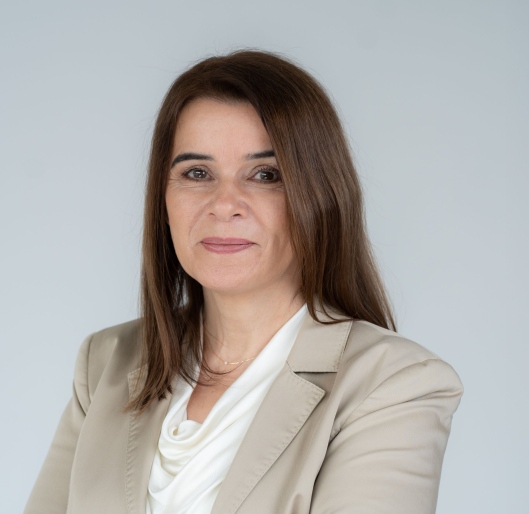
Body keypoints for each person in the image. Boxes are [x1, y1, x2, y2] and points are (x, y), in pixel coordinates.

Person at [25, 50, 463, 514]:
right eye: (197, 173)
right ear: (163, 199)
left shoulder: (393, 384)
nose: (224, 204)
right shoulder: (106, 362)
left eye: (265, 175)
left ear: (320, 197)